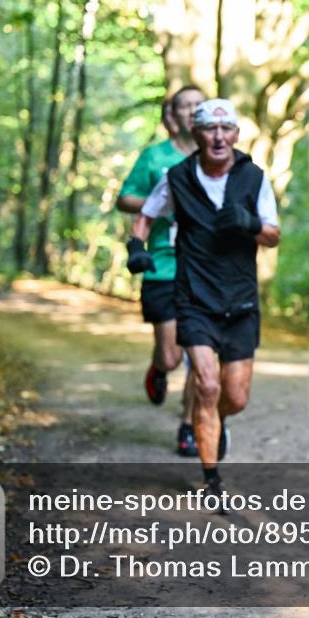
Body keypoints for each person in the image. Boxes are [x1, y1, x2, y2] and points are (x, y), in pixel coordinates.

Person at [128, 99, 280, 505]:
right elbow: (145, 215)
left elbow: (273, 233)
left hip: (241, 300)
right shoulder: (177, 177)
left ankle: (216, 422)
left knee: (235, 396)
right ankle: (212, 479)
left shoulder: (254, 178)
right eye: (209, 130)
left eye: (226, 129)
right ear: (195, 135)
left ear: (235, 134)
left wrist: (250, 225)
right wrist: (135, 246)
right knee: (207, 385)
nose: (218, 137)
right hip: (194, 297)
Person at [119, 85, 205, 457]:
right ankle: (158, 368)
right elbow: (125, 198)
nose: (191, 112)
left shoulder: (217, 156)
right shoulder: (156, 157)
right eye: (184, 106)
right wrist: (163, 204)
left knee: (200, 356)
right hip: (163, 267)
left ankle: (188, 426)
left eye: (198, 106)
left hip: (204, 270)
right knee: (172, 357)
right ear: (173, 116)